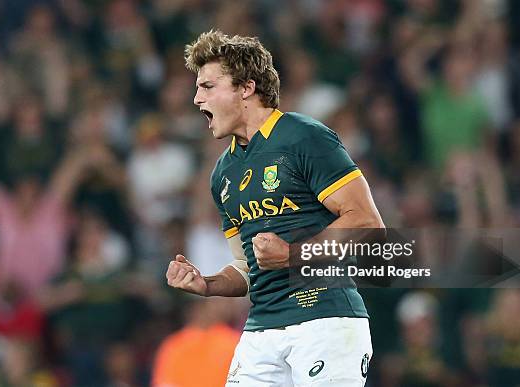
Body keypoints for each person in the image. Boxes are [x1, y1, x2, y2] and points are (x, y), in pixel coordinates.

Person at [165, 30, 384, 386]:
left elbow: (367, 221)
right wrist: (208, 284)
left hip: (325, 320)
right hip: (262, 330)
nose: (195, 99)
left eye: (207, 87)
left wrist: (293, 255)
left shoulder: (304, 136)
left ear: (246, 87)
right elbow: (248, 267)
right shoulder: (223, 172)